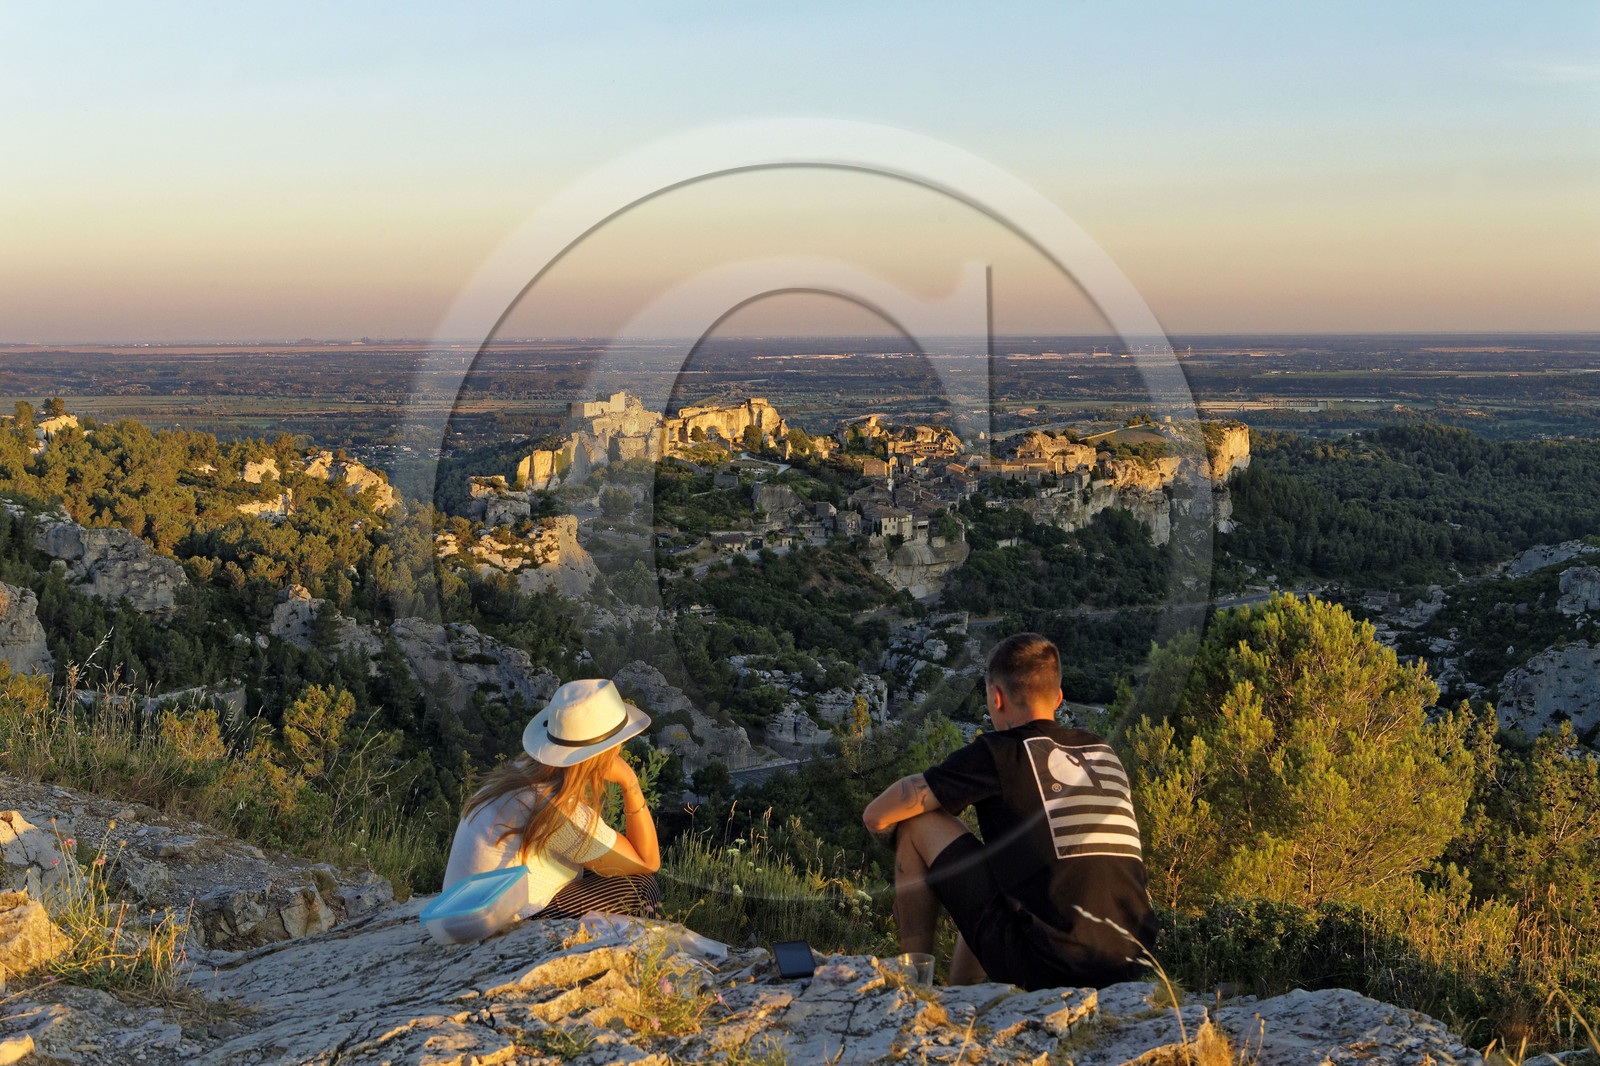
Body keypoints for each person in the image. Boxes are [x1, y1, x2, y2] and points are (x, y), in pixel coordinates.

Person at [862, 633, 1158, 990]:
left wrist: (907, 862)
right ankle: (959, 995)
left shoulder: (998, 752)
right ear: (1059, 697)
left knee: (915, 822)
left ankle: (914, 984)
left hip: (1049, 967)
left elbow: (876, 815)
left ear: (997, 698)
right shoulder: (1101, 751)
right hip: (1132, 966)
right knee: (1001, 866)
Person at [443, 678, 663, 920]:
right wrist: (630, 783)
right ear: (604, 754)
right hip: (501, 921)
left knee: (605, 870)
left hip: (465, 911)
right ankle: (635, 954)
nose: (621, 747)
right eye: (618, 742)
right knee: (642, 884)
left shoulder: (518, 776)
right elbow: (648, 861)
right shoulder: (556, 808)